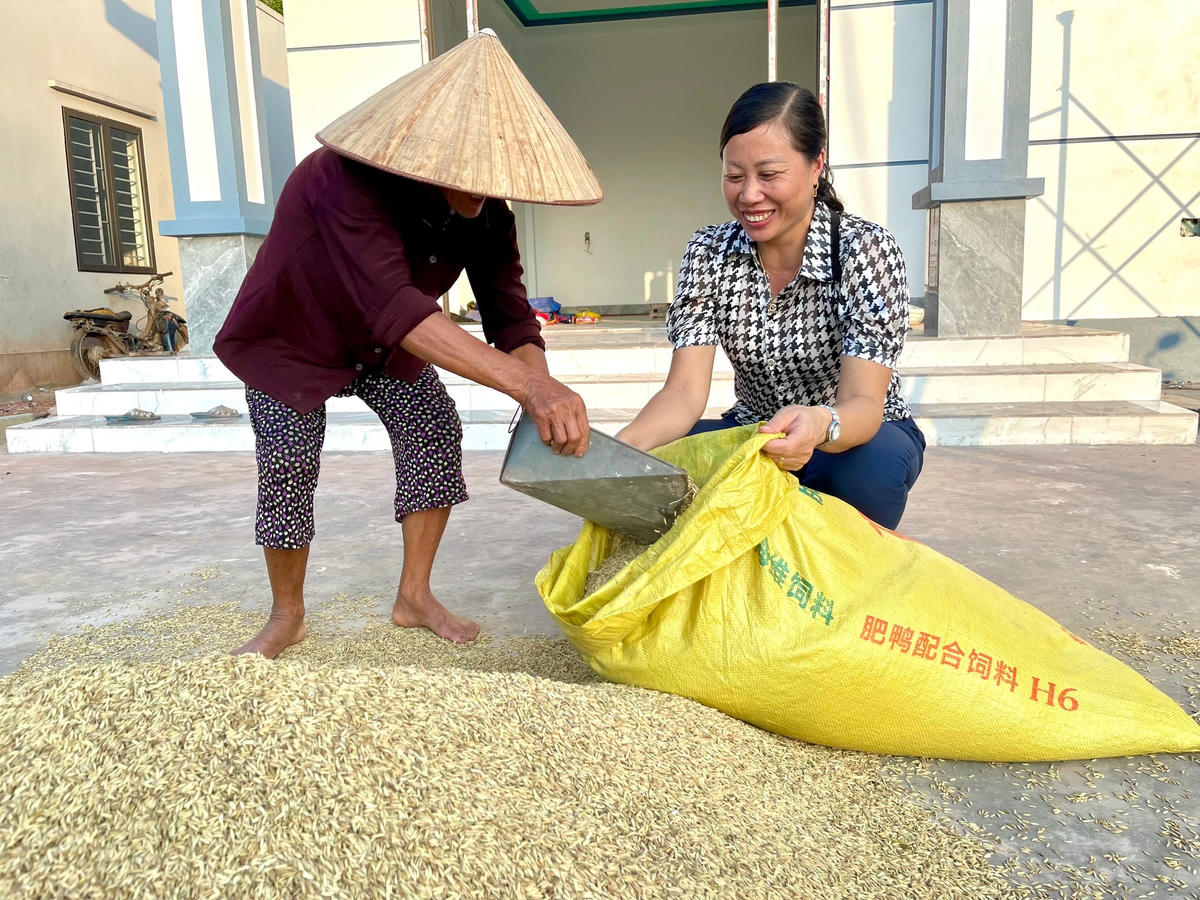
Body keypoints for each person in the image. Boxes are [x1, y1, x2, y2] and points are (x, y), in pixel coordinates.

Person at [214, 31, 602, 658]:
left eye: (492, 177)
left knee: (432, 428)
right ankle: (287, 614)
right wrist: (529, 386)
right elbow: (396, 306)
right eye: (466, 174)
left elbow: (509, 317)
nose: (481, 190)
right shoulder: (342, 180)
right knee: (289, 459)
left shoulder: (490, 216)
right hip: (295, 334)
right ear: (432, 153)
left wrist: (543, 390)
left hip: (382, 344)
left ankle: (413, 596)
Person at [617, 82, 925, 529]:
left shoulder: (865, 249)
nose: (749, 196)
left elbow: (863, 401)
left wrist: (819, 424)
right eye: (735, 176)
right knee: (665, 463)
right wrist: (623, 451)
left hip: (849, 435)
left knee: (868, 472)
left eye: (769, 175)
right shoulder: (708, 252)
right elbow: (684, 393)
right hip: (757, 433)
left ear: (816, 165)